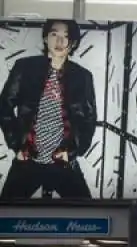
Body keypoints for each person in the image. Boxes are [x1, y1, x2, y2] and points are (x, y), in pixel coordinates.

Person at [0, 19, 97, 199]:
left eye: (65, 37)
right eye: (54, 35)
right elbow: (4, 105)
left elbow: (89, 119)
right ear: (45, 38)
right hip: (28, 158)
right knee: (7, 213)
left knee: (87, 213)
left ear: (73, 42)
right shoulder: (25, 68)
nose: (59, 42)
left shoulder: (82, 77)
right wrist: (16, 146)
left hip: (63, 160)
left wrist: (74, 152)